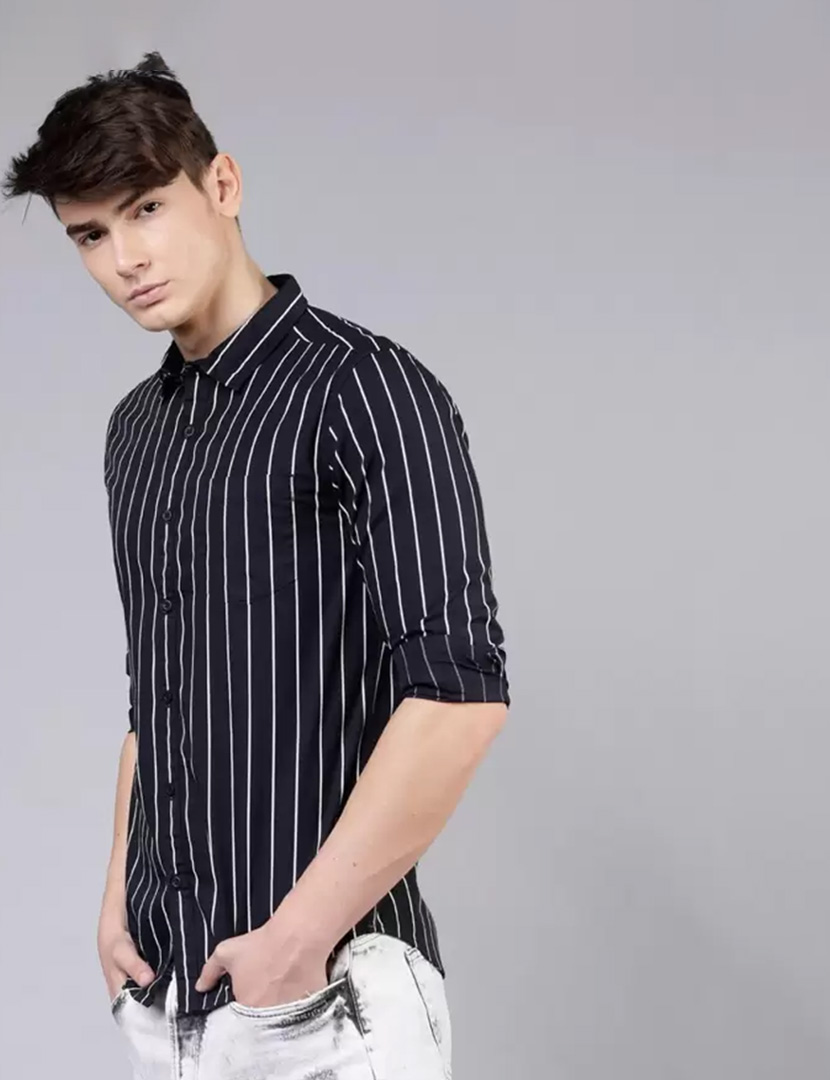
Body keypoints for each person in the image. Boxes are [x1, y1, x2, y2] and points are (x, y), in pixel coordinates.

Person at [3, 50, 511, 1079]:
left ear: (223, 185)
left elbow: (459, 697)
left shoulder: (366, 390)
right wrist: (116, 900)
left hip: (325, 997)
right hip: (171, 997)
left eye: (146, 209)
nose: (124, 259)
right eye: (89, 235)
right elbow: (157, 696)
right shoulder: (135, 433)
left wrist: (295, 942)